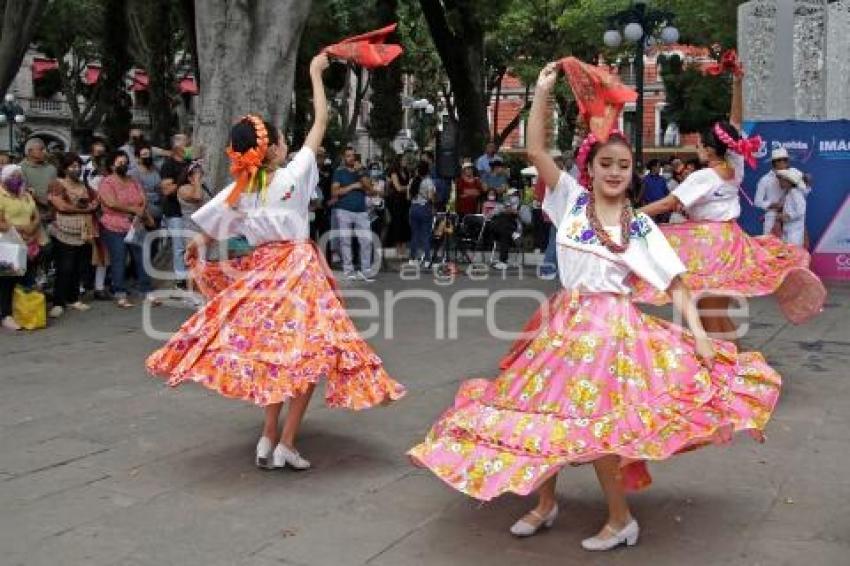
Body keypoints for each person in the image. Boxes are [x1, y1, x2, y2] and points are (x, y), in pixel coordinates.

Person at [409, 61, 782, 552]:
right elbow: (537, 149)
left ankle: (620, 519)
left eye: (623, 166)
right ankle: (544, 503)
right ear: (591, 167)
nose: (614, 172)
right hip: (564, 324)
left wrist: (702, 339)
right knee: (538, 413)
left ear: (631, 176)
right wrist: (542, 92)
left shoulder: (640, 227)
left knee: (602, 426)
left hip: (613, 335)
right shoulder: (571, 202)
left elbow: (678, 284)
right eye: (606, 163)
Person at [146, 53, 405, 471]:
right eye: (284, 140)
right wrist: (315, 74)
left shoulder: (242, 189)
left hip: (264, 274)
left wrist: (198, 244)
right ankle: (284, 442)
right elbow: (320, 122)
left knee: (274, 355)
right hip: (299, 274)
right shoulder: (292, 175)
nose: (289, 144)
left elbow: (209, 226)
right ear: (273, 150)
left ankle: (268, 438)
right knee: (307, 357)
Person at [637, 75, 826, 332]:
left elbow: (667, 204)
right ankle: (726, 358)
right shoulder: (734, 168)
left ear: (710, 149)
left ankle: (727, 363)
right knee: (713, 310)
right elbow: (735, 124)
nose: (699, 149)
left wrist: (632, 213)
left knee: (707, 311)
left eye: (701, 145)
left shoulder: (703, 176)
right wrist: (737, 83)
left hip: (707, 246)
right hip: (729, 241)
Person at [97, 150, 155, 308]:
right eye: (120, 163)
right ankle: (120, 293)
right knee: (119, 259)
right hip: (114, 226)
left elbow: (143, 198)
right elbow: (111, 203)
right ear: (112, 165)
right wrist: (133, 210)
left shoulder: (133, 180)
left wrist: (141, 211)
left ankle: (146, 290)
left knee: (142, 258)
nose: (124, 165)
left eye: (125, 162)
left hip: (136, 225)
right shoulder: (107, 182)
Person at [46, 153, 99, 318]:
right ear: (64, 168)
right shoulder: (58, 184)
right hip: (64, 232)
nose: (76, 169)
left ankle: (73, 298)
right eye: (72, 166)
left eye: (78, 166)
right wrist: (85, 209)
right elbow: (61, 207)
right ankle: (58, 302)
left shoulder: (83, 185)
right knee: (64, 268)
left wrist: (92, 205)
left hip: (82, 232)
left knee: (78, 267)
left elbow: (96, 200)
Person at [0, 164, 45, 330]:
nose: (17, 179)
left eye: (19, 176)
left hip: (29, 241)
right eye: (14, 176)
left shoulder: (25, 194)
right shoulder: (1, 195)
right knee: (7, 280)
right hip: (9, 243)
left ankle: (24, 311)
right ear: (5, 179)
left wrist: (32, 228)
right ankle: (5, 314)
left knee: (27, 278)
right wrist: (19, 229)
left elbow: (36, 215)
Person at [332, 147, 375, 281]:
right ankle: (348, 270)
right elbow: (335, 192)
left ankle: (365, 271)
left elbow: (370, 189)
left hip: (361, 211)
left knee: (366, 240)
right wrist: (353, 186)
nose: (350, 158)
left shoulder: (362, 172)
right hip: (344, 210)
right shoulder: (339, 172)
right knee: (345, 241)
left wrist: (361, 173)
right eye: (347, 156)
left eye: (352, 156)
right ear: (344, 158)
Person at [159, 133, 192, 286]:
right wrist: (182, 180)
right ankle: (180, 278)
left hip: (191, 209)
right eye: (185, 143)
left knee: (191, 243)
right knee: (179, 245)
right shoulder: (168, 164)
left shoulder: (191, 162)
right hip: (174, 210)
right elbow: (166, 190)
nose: (188, 145)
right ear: (176, 145)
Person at [754, 148, 806, 236]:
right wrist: (773, 205)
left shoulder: (794, 176)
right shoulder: (765, 180)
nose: (783, 163)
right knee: (771, 247)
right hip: (772, 218)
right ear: (774, 163)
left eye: (785, 160)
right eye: (779, 160)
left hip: (791, 222)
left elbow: (801, 200)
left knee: (790, 247)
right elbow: (757, 202)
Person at [19, 137, 58, 223]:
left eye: (44, 149)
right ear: (30, 151)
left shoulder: (51, 168)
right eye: (41, 149)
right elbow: (25, 193)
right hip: (29, 216)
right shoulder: (20, 169)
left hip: (51, 215)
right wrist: (44, 205)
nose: (45, 152)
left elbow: (55, 191)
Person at [408, 160, 436, 265]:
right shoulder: (429, 182)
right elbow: (431, 197)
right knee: (425, 234)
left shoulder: (412, 181)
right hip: (424, 208)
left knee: (414, 234)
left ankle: (412, 258)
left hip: (413, 208)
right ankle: (427, 260)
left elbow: (408, 197)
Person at [384, 156, 411, 260]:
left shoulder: (407, 172)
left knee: (405, 224)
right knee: (398, 224)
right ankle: (398, 250)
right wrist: (409, 187)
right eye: (404, 160)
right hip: (396, 201)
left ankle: (404, 249)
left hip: (406, 201)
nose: (406, 162)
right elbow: (398, 187)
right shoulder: (394, 172)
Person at [775, 168, 807, 246]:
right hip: (788, 230)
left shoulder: (795, 192)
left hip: (794, 232)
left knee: (793, 253)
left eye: (781, 180)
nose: (779, 182)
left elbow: (801, 210)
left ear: (789, 181)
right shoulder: (789, 193)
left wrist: (787, 215)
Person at [132, 145, 163, 226]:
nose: (148, 156)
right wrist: (147, 216)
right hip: (146, 211)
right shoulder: (134, 173)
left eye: (149, 154)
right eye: (145, 154)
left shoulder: (156, 169)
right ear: (138, 157)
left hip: (160, 207)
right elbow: (136, 196)